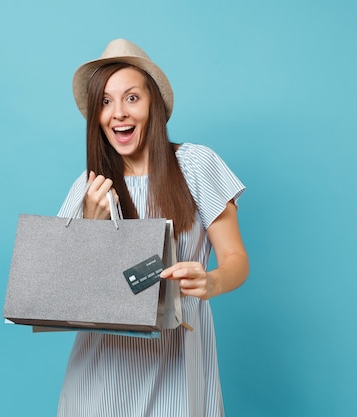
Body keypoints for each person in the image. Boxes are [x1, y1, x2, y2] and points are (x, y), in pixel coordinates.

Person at [56, 39, 249, 417]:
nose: (118, 114)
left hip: (177, 369)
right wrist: (91, 227)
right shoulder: (89, 187)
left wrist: (211, 282)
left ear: (153, 105)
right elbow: (63, 294)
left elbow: (236, 258)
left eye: (131, 98)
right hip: (100, 379)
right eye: (105, 102)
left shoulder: (194, 165)